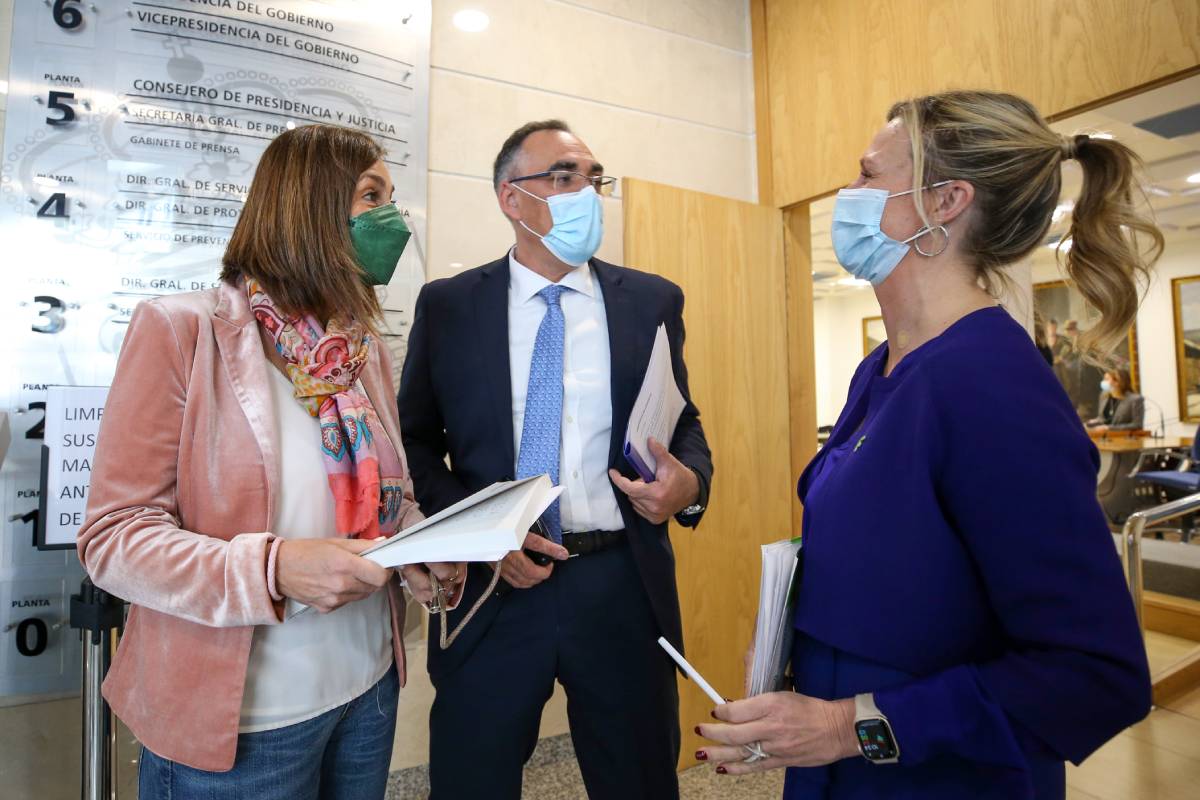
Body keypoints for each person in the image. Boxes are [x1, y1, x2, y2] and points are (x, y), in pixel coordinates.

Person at [695, 91, 1160, 798]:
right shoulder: (882, 368)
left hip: (939, 775)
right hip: (842, 763)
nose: (846, 195)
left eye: (867, 175)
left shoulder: (991, 385)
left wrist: (849, 726)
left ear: (945, 202)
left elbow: (1095, 674)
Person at [77, 124, 466, 799]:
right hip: (248, 723)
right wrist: (275, 568)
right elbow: (114, 539)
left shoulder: (358, 350)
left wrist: (417, 546)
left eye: (391, 197)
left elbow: (386, 497)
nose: (393, 220)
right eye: (370, 195)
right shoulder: (181, 331)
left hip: (366, 690)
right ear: (307, 205)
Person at [398, 119, 713, 799]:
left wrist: (688, 483)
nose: (587, 193)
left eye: (595, 178)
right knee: (471, 778)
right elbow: (414, 440)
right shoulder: (451, 305)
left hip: (621, 583)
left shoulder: (651, 300)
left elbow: (682, 422)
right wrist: (483, 532)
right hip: (493, 588)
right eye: (565, 177)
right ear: (512, 198)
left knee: (638, 780)